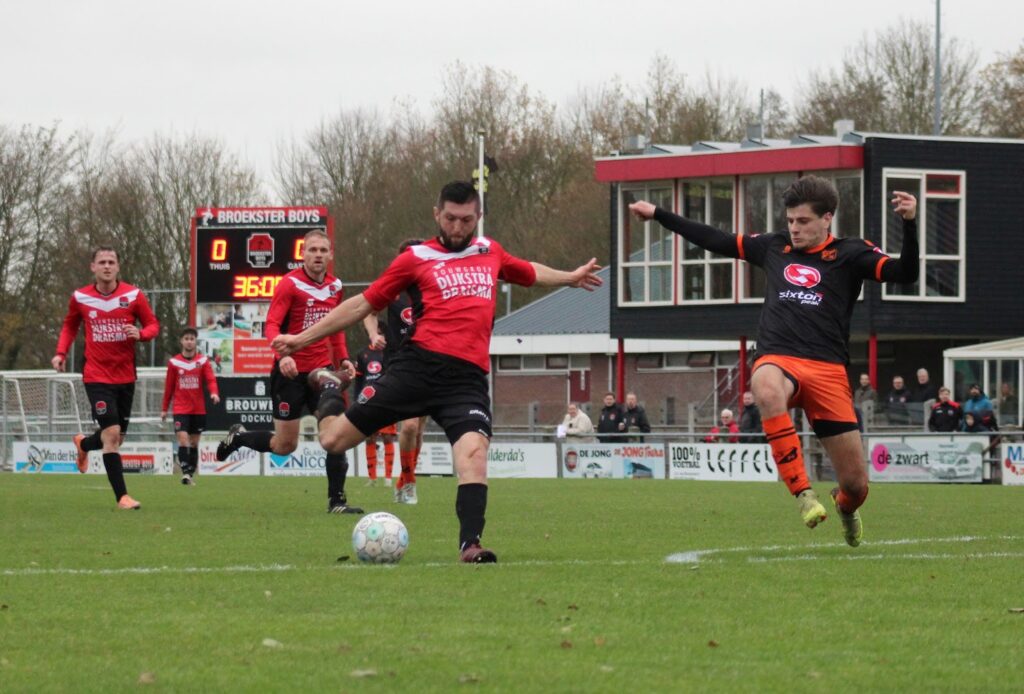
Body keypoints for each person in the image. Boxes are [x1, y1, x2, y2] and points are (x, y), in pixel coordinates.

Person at [271, 180, 601, 563]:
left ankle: (470, 545)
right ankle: (328, 390)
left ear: (478, 217)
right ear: (436, 215)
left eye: (466, 219)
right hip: (415, 370)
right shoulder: (415, 257)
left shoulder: (490, 251)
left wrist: (569, 277)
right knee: (333, 441)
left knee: (474, 453)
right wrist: (299, 340)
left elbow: (528, 271)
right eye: (450, 219)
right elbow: (362, 304)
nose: (458, 227)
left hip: (466, 380)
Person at [630, 175, 919, 547]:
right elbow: (715, 239)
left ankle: (845, 507)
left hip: (828, 370)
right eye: (790, 221)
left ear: (827, 218)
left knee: (856, 485)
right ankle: (803, 495)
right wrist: (658, 214)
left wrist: (909, 224)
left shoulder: (850, 253)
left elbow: (905, 273)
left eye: (803, 221)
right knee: (765, 389)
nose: (794, 229)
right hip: (778, 357)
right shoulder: (774, 247)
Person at [216, 229, 361, 514]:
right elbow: (270, 325)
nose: (318, 255)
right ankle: (240, 437)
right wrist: (282, 355)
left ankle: (337, 502)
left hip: (322, 374)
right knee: (285, 446)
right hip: (290, 374)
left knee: (336, 433)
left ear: (330, 254)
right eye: (312, 250)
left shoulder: (335, 287)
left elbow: (335, 328)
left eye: (323, 250)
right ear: (303, 254)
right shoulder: (289, 284)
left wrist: (343, 358)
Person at [52, 246, 160, 509]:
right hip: (96, 375)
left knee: (116, 437)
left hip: (125, 376)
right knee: (111, 435)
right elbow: (70, 325)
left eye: (112, 261)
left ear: (118, 267)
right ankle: (122, 497)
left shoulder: (133, 295)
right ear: (93, 267)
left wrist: (141, 334)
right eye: (102, 262)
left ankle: (84, 444)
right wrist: (60, 352)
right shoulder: (80, 297)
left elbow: (153, 325)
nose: (107, 266)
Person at [362, 238, 426, 505]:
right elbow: (368, 312)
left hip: (428, 363)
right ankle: (408, 482)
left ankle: (405, 478)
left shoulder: (432, 287)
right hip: (400, 364)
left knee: (418, 429)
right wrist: (374, 334)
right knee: (409, 425)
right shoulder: (393, 287)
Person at [161, 327, 221, 485]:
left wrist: (214, 393)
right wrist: (164, 408)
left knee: (194, 443)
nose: (189, 341)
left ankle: (190, 474)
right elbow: (169, 387)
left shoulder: (202, 361)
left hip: (198, 409)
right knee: (182, 440)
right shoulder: (174, 363)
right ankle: (185, 473)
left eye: (192, 339)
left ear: (195, 342)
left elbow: (211, 380)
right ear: (181, 341)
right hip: (180, 408)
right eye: (186, 338)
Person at [352, 344, 396, 488]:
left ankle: (388, 477)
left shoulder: (388, 352)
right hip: (367, 400)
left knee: (387, 437)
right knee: (369, 438)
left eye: (382, 334)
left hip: (386, 399)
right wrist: (356, 400)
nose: (380, 338)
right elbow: (358, 380)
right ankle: (372, 478)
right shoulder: (362, 353)